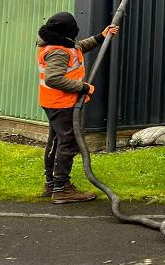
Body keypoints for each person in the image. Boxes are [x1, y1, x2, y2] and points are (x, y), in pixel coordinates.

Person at [36, 11, 119, 204]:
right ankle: (61, 188)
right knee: (68, 143)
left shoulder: (58, 42)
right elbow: (53, 79)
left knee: (56, 141)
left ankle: (51, 184)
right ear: (67, 31)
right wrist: (83, 87)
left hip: (53, 102)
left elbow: (79, 47)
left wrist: (100, 36)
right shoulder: (58, 51)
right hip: (62, 103)